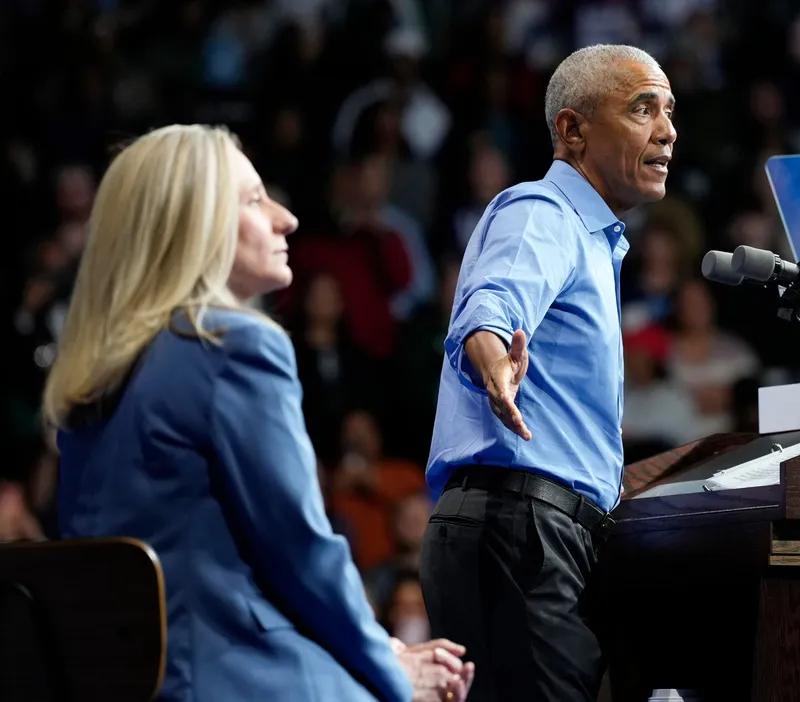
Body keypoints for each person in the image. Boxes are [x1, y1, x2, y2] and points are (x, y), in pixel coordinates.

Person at [42, 124, 474, 702]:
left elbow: (219, 576)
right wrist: (390, 672)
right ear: (190, 225)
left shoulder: (92, 377)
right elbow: (301, 552)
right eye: (252, 199)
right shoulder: (233, 346)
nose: (285, 218)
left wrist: (378, 650)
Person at [420, 44, 676, 702]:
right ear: (572, 129)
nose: (667, 130)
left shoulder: (593, 239)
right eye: (642, 108)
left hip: (534, 535)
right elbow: (491, 307)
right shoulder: (544, 213)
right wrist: (492, 359)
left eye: (669, 110)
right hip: (522, 534)